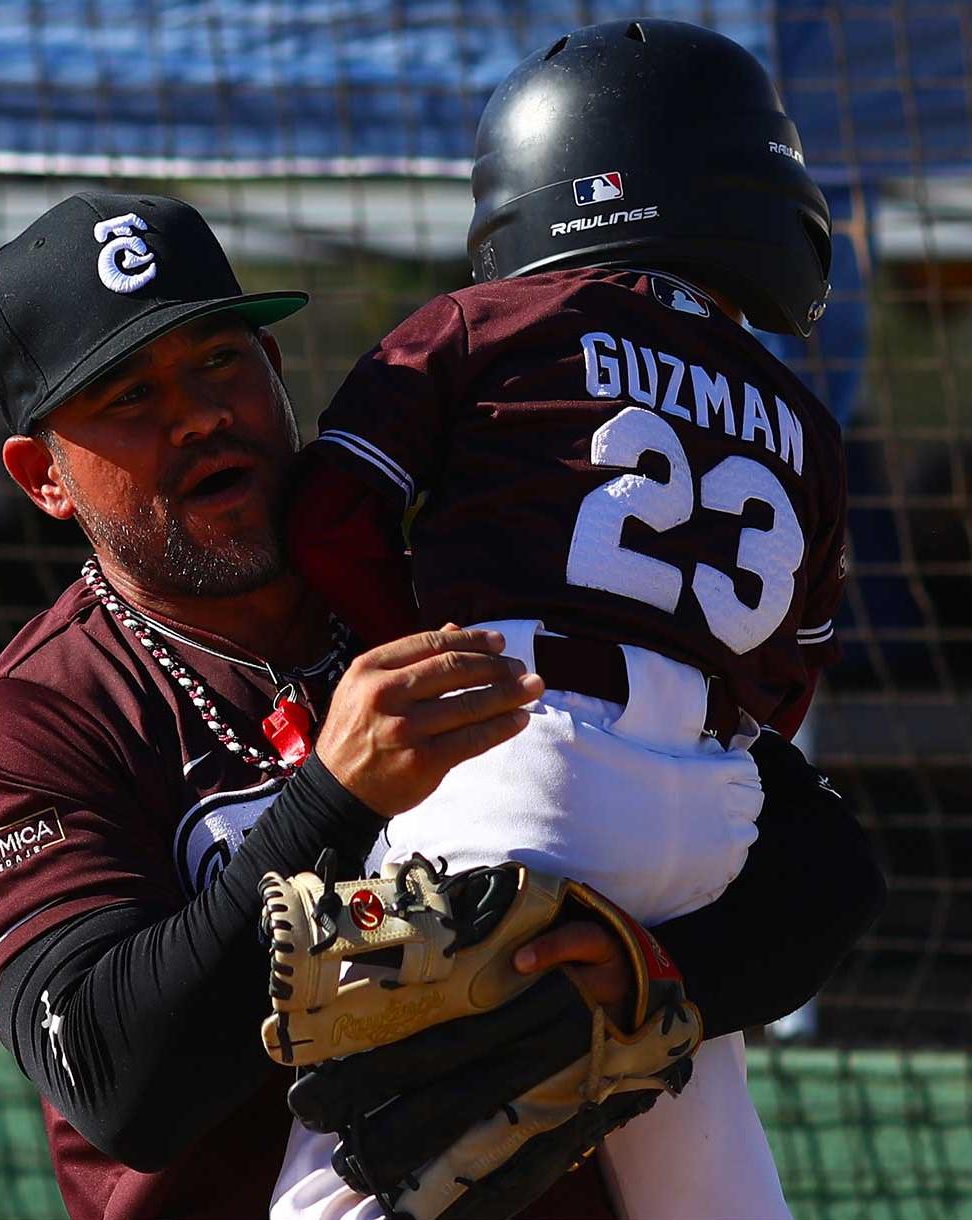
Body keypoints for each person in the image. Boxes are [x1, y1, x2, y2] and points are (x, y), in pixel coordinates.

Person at [0, 190, 881, 1220]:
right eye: (128, 396)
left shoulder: (443, 574)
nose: (200, 414)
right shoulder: (30, 727)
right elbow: (123, 1081)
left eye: (219, 360)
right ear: (43, 478)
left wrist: (640, 968)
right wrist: (332, 797)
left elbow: (820, 865)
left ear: (274, 368)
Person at [281, 20, 847, 1220]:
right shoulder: (802, 415)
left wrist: (442, 657)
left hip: (520, 763)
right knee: (697, 1137)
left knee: (341, 1179)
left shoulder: (485, 322)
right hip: (713, 816)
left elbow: (329, 514)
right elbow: (786, 681)